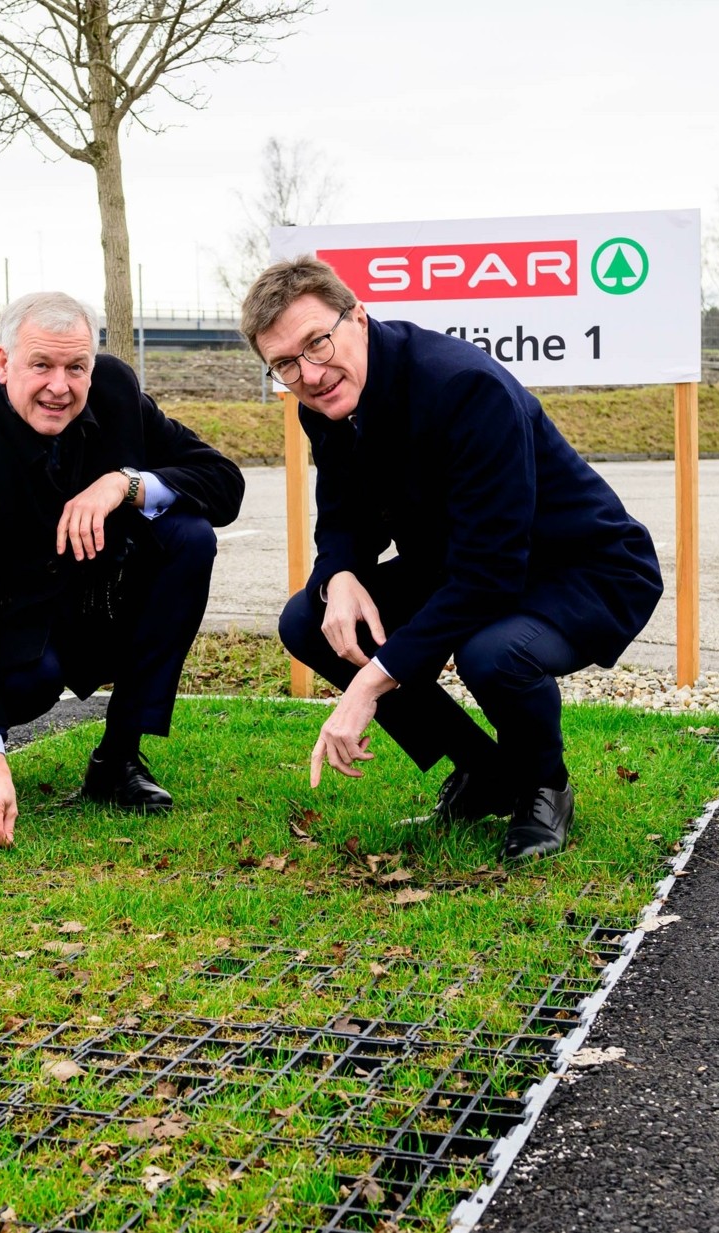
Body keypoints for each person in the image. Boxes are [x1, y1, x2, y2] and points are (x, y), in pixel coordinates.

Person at [243, 257, 663, 861]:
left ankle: (544, 785)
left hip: (581, 567)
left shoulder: (464, 387)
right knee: (309, 620)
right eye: (284, 363)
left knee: (493, 652)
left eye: (317, 343)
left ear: (357, 316)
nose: (308, 373)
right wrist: (339, 575)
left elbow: (489, 575)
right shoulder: (325, 399)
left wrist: (369, 684)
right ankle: (485, 769)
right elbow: (343, 513)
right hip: (466, 562)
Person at [0, 291, 244, 848]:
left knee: (188, 537)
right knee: (31, 681)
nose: (60, 386)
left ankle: (118, 760)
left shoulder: (116, 393)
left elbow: (221, 481)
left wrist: (125, 482)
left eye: (77, 367)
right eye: (41, 365)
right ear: (4, 363)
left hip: (85, 597)